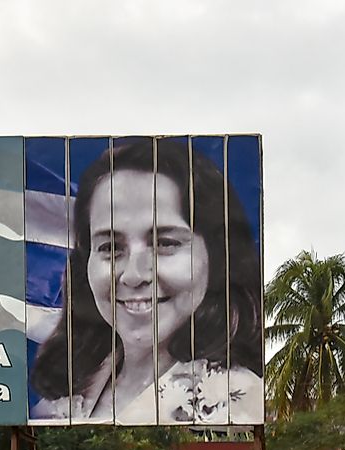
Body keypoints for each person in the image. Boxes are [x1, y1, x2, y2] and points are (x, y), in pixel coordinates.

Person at [29, 139, 263, 425]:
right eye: (109, 248)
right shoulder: (64, 399)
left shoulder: (237, 400)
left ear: (217, 257)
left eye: (165, 243)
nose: (133, 275)